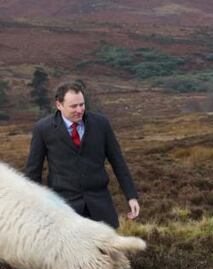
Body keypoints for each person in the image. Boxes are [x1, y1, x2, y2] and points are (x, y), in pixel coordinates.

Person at [26, 81, 140, 228]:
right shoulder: (43, 129)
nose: (79, 110)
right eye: (73, 106)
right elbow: (33, 173)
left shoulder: (101, 124)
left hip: (101, 208)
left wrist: (131, 196)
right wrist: (33, 208)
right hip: (63, 211)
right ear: (59, 105)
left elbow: (118, 162)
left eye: (82, 104)